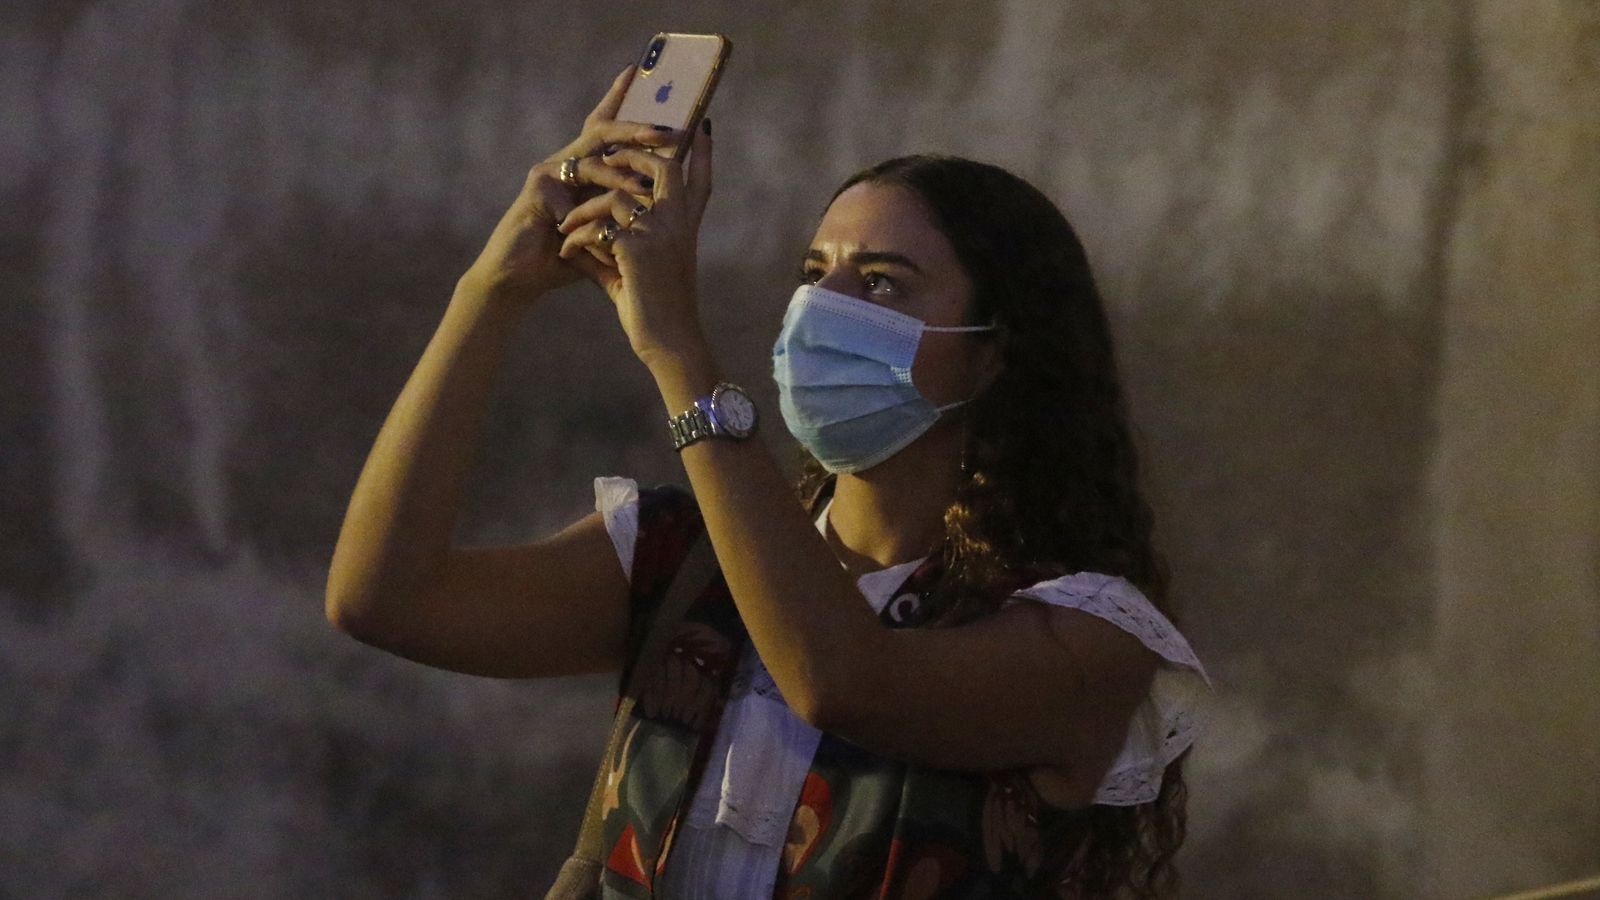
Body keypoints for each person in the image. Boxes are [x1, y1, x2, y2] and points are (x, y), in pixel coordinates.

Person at [326, 65, 1212, 899]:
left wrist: (676, 346)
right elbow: (385, 598)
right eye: (813, 274)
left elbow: (837, 680)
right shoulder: (684, 560)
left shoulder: (1085, 634)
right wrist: (491, 292)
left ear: (992, 353)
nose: (826, 309)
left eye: (881, 284)